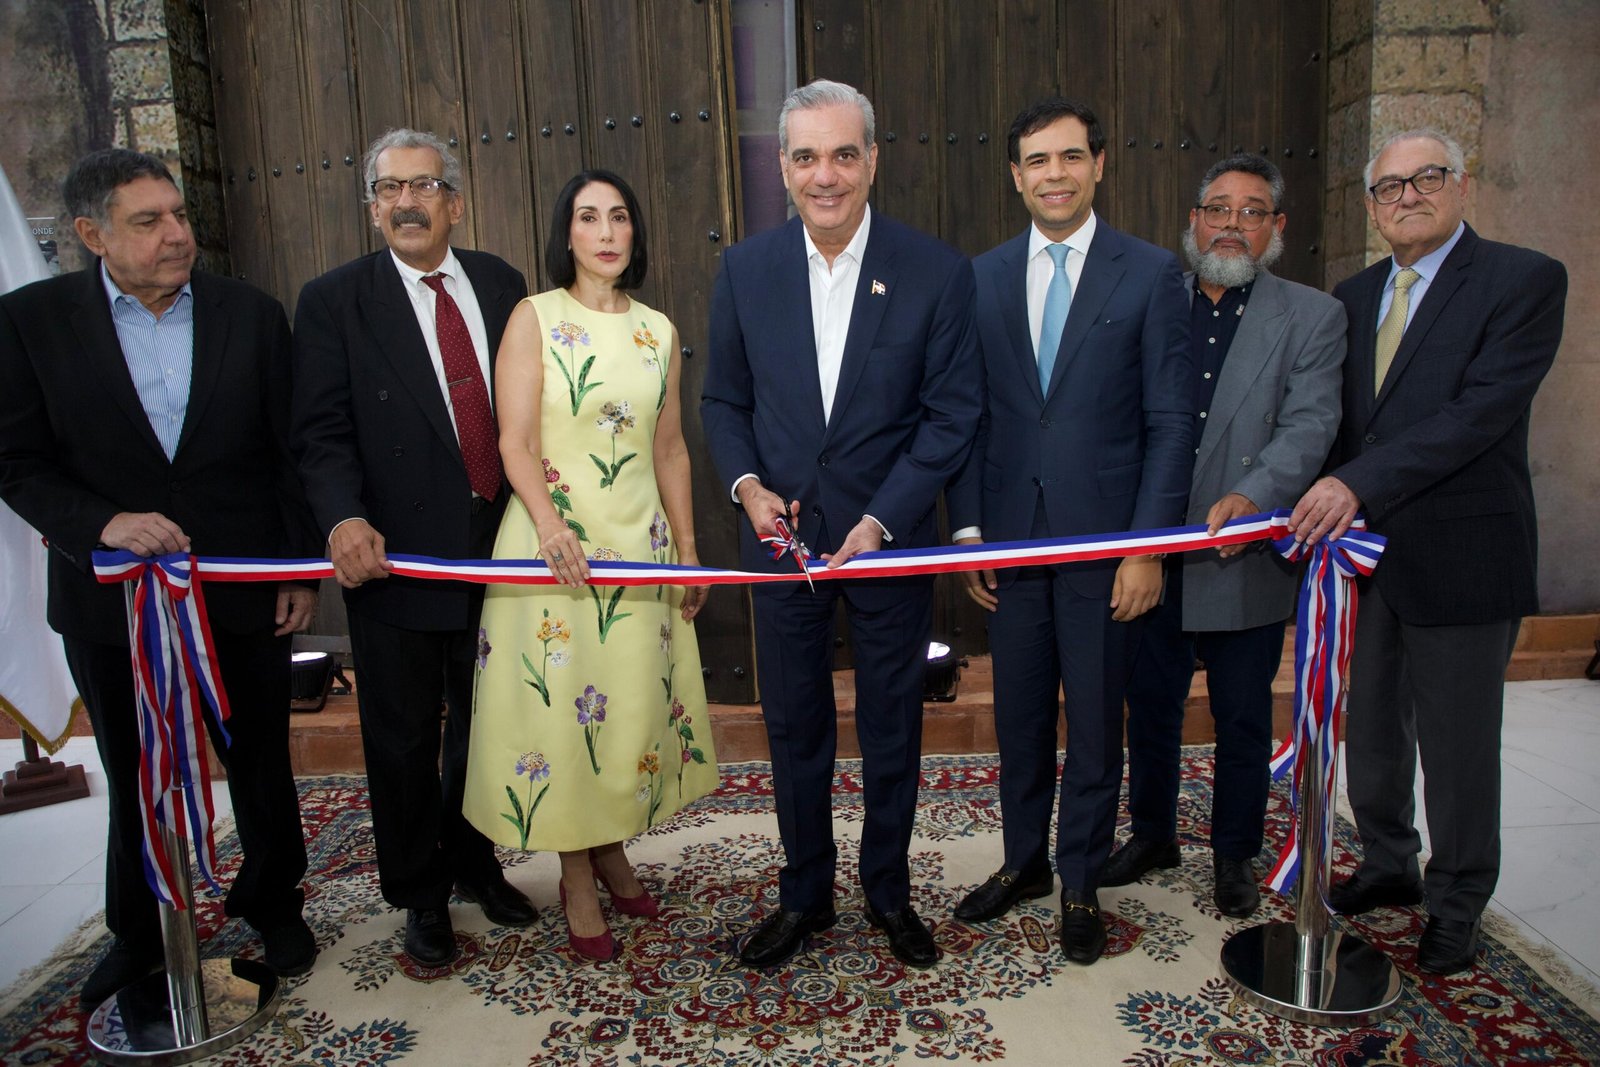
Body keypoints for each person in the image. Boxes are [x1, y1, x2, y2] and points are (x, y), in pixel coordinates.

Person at [0, 148, 316, 1006]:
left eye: (178, 214)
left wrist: (297, 568)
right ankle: (136, 931)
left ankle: (273, 904)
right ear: (90, 233)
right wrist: (101, 525)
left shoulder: (250, 314)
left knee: (258, 758)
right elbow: (15, 461)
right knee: (134, 763)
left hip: (241, 585)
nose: (177, 234)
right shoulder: (30, 322)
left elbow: (285, 451)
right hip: (113, 602)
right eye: (149, 221)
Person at [701, 79, 980, 970]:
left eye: (844, 154)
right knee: (793, 725)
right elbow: (723, 401)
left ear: (872, 160)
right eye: (807, 156)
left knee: (893, 721)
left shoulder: (935, 270)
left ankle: (890, 894)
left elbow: (949, 416)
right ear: (783, 167)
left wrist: (882, 518)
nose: (827, 175)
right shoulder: (744, 271)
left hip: (888, 541)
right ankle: (805, 896)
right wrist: (746, 486)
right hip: (777, 544)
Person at [1288, 129, 1566, 974]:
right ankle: (1388, 862)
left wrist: (1355, 484)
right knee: (1370, 725)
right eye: (1388, 187)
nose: (1406, 196)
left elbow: (1478, 415)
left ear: (1462, 185)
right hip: (1365, 560)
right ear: (1371, 205)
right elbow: (1340, 422)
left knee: (1458, 745)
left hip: (1464, 553)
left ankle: (1457, 901)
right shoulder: (1354, 291)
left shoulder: (1523, 279)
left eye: (1425, 178)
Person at [945, 97, 1192, 964]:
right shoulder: (978, 276)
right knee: (1018, 718)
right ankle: (1025, 863)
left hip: (1105, 547)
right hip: (1009, 546)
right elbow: (967, 415)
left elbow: (1171, 421)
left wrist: (1147, 545)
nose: (1054, 174)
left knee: (1093, 722)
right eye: (1036, 161)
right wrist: (970, 529)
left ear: (1098, 164)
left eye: (1069, 157)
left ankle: (1080, 877)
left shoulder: (1153, 271)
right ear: (1015, 175)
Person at [291, 129, 536, 967]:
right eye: (389, 188)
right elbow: (319, 435)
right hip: (390, 555)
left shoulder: (504, 285)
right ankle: (420, 894)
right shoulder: (332, 302)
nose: (406, 201)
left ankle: (477, 863)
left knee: (486, 721)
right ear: (371, 207)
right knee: (400, 738)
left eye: (424, 186)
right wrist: (340, 521)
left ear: (455, 203)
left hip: (493, 547)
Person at [462, 170, 718, 962]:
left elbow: (670, 446)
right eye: (587, 218)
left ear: (634, 233)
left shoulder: (659, 330)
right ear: (565, 234)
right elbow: (513, 442)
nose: (605, 231)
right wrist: (548, 525)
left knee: (627, 708)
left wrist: (688, 546)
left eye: (618, 218)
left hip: (639, 550)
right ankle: (576, 875)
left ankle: (609, 848)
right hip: (555, 552)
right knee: (562, 711)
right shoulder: (534, 317)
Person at [1109, 154, 1346, 918]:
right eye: (1218, 209)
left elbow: (1312, 423)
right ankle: (1152, 832)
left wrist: (1256, 494)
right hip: (1155, 548)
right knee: (1149, 707)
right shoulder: (1150, 298)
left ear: (1277, 227)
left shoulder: (1312, 315)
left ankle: (1235, 853)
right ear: (1194, 222)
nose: (1232, 225)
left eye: (1251, 211)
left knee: (1243, 715)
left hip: (1244, 549)